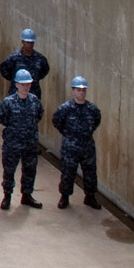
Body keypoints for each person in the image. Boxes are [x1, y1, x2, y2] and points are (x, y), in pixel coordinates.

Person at [0, 69, 45, 209]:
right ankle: (7, 196)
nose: (25, 87)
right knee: (9, 170)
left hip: (30, 143)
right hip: (12, 143)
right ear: (16, 85)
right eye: (22, 84)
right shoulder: (8, 102)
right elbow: (1, 117)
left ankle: (27, 195)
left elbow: (39, 115)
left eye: (28, 84)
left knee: (30, 170)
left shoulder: (34, 101)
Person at [53, 77, 104, 208]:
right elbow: (57, 121)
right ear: (73, 91)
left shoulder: (92, 109)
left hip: (87, 147)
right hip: (70, 147)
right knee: (68, 173)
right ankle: (64, 197)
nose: (81, 93)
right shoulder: (65, 108)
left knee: (90, 173)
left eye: (83, 90)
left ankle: (90, 197)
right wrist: (68, 135)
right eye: (78, 90)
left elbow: (97, 121)